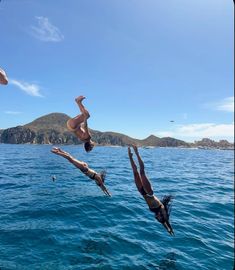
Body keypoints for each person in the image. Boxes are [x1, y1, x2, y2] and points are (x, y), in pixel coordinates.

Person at [128, 145, 174, 235]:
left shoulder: (158, 215)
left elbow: (162, 222)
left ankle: (130, 156)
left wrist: (168, 230)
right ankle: (137, 152)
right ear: (163, 216)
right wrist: (169, 229)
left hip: (142, 192)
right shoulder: (163, 211)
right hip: (149, 193)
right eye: (159, 218)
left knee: (135, 173)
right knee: (142, 172)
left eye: (157, 218)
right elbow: (165, 222)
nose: (157, 217)